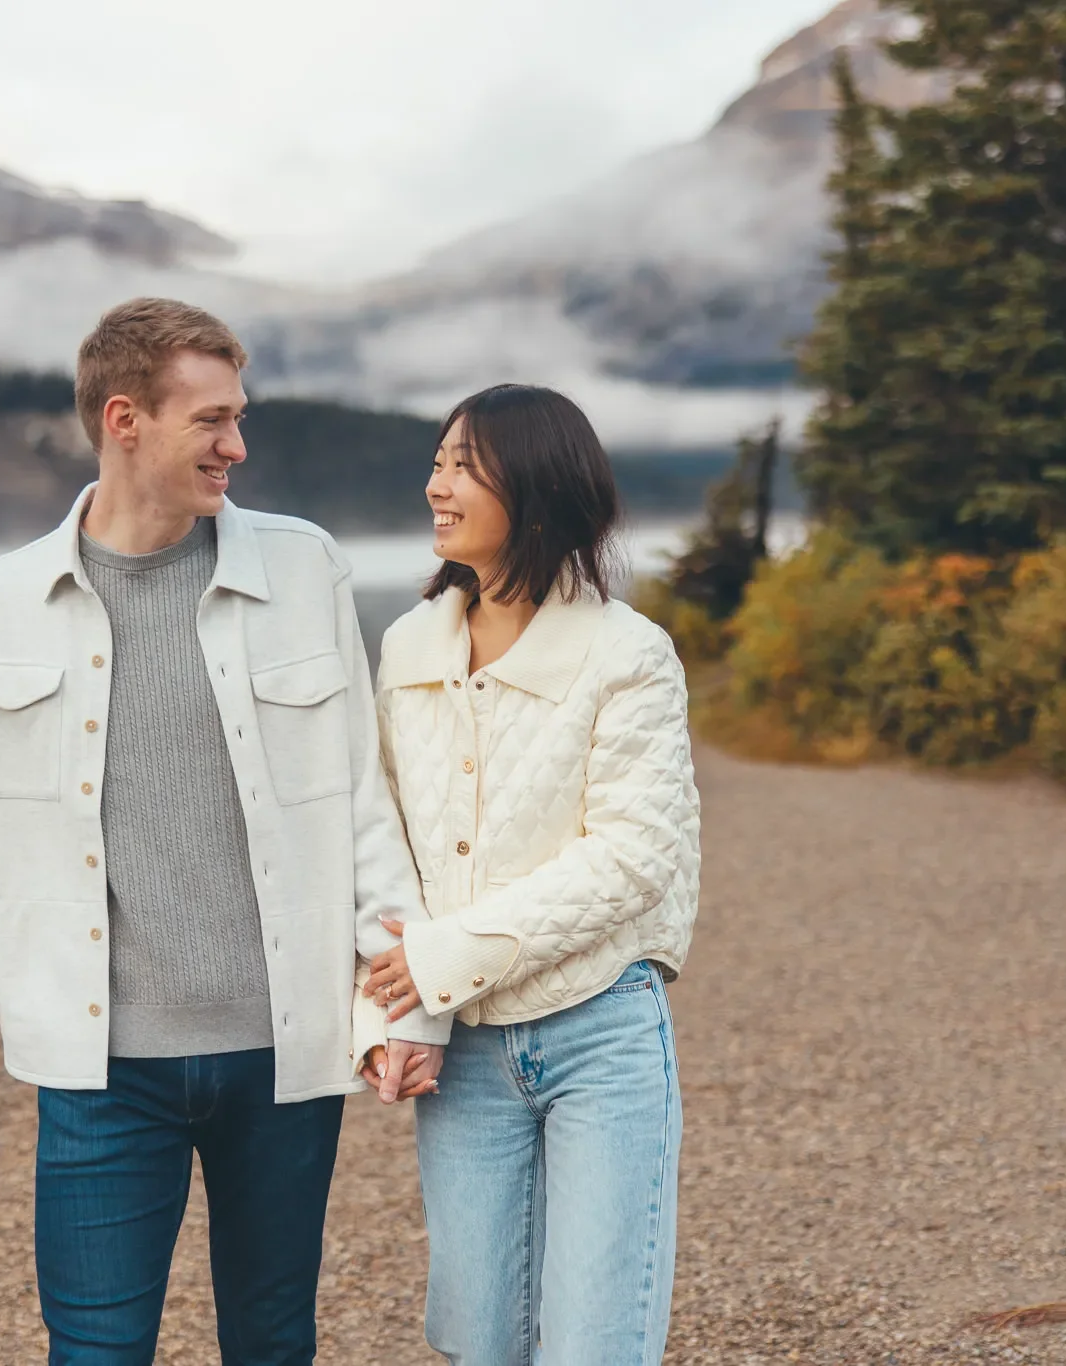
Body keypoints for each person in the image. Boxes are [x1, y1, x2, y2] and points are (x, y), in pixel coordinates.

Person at [0, 297, 449, 1366]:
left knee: (271, 1342)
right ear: (124, 420)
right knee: (93, 1351)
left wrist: (411, 1004)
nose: (237, 445)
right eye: (210, 420)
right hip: (99, 1068)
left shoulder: (304, 569)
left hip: (281, 1051)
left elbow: (360, 803)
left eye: (238, 416)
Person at [356, 383, 701, 1366]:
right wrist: (390, 1015)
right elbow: (377, 847)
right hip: (459, 1053)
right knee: (481, 1343)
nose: (436, 484)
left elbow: (635, 855)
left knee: (595, 1344)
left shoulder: (625, 653)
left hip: (601, 1032)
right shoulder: (405, 649)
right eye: (435, 460)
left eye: (463, 464)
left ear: (538, 485)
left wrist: (443, 957)